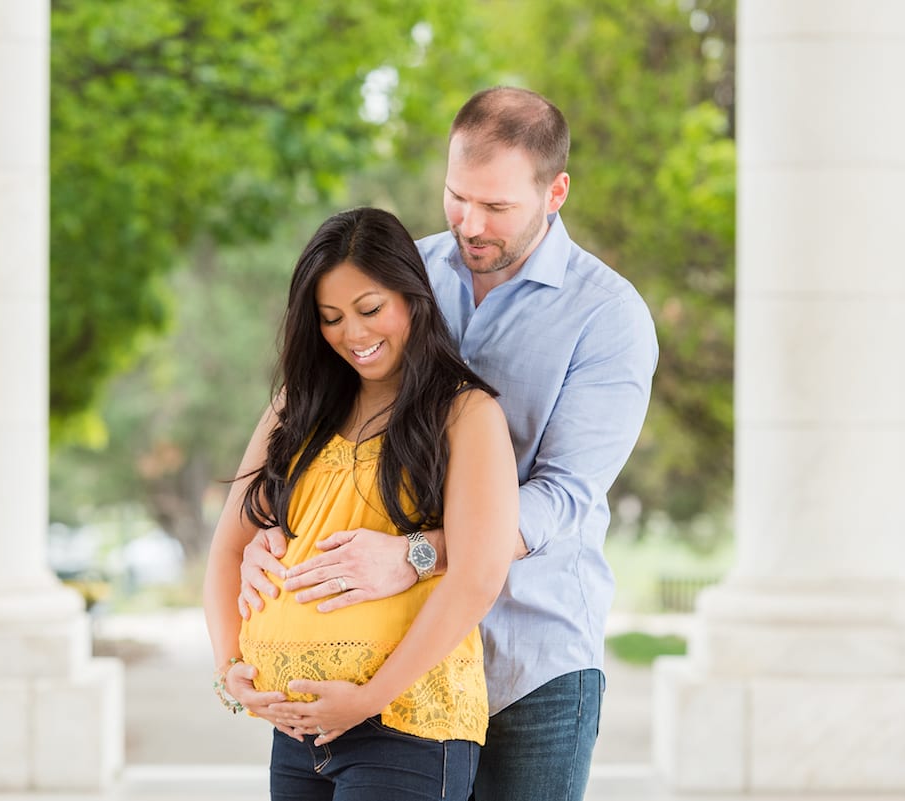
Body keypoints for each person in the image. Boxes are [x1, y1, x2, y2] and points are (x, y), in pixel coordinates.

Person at [235, 87, 659, 801]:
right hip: (399, 662)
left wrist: (417, 553)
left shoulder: (608, 317)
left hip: (533, 659)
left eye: (497, 206)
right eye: (458, 196)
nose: (470, 222)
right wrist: (274, 529)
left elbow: (561, 495)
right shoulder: (406, 275)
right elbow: (334, 416)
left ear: (556, 191)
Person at [203, 206, 520, 801]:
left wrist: (367, 701)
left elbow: (478, 576)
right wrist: (231, 672)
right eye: (330, 318)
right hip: (297, 734)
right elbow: (228, 550)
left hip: (406, 730)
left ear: (412, 296)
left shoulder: (466, 415)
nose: (353, 334)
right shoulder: (294, 409)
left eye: (370, 309)